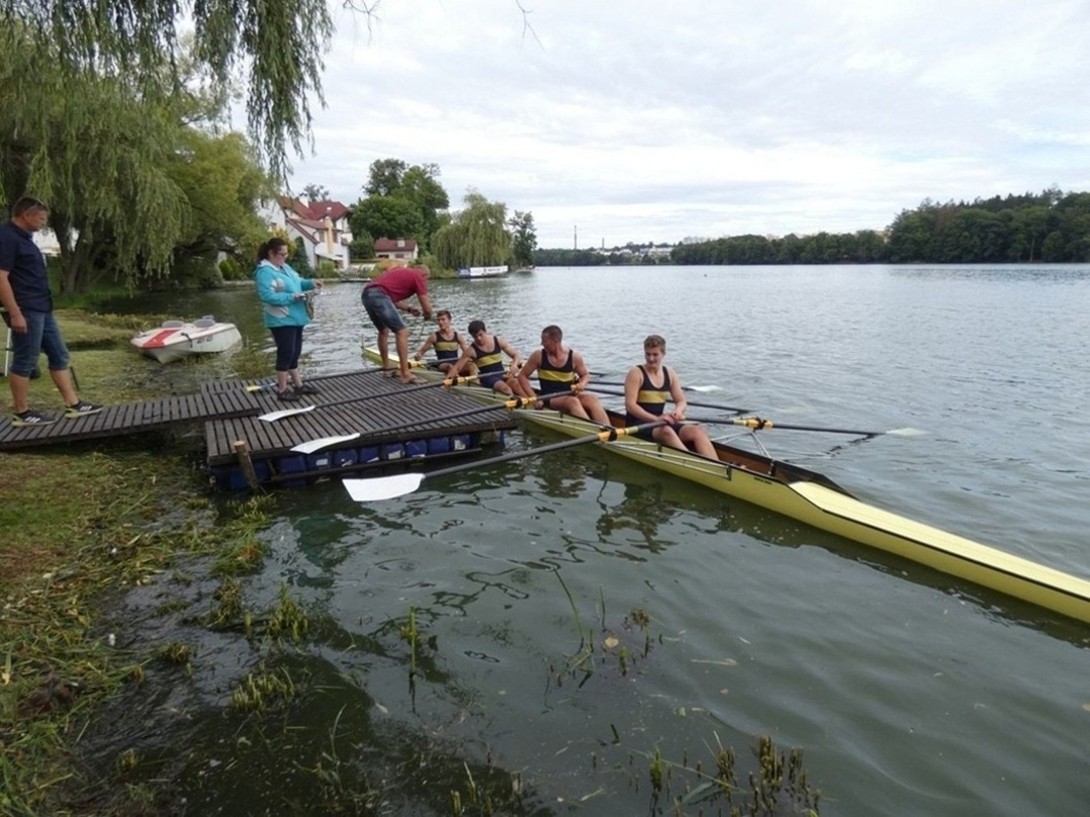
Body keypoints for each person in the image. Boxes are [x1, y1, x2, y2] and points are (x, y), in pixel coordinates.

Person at [0, 197, 102, 426]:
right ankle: (22, 413)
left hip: (42, 308)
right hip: (25, 309)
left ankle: (73, 404)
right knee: (26, 360)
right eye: (40, 218)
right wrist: (14, 313)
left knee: (59, 354)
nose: (43, 223)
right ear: (26, 214)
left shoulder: (26, 239)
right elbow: (1, 278)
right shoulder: (7, 237)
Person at [623, 333, 717, 458]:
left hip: (660, 422)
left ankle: (717, 464)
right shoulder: (636, 373)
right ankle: (691, 461)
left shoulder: (670, 373)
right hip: (638, 424)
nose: (651, 358)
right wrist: (656, 420)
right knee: (666, 431)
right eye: (647, 354)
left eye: (655, 354)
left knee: (698, 430)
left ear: (663, 354)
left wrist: (677, 412)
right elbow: (630, 406)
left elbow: (681, 401)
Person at [253, 237, 322, 401]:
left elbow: (298, 283)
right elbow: (267, 296)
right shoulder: (265, 272)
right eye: (282, 255)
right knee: (285, 353)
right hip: (281, 319)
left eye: (286, 254)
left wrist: (311, 283)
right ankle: (282, 390)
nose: (285, 257)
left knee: (295, 352)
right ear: (271, 253)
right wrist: (291, 297)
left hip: (296, 317)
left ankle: (298, 385)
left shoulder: (285, 267)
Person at [517, 325, 610, 425]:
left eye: (544, 341)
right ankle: (593, 430)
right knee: (572, 402)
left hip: (569, 394)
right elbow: (522, 376)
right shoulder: (538, 356)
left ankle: (608, 429)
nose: (542, 344)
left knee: (592, 399)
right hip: (548, 397)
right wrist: (534, 398)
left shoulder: (574, 357)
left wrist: (582, 384)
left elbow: (585, 375)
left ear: (555, 341)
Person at [361, 264, 433, 384]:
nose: (426, 282)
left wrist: (409, 309)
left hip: (367, 294)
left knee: (383, 331)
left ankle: (387, 368)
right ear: (425, 275)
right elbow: (427, 307)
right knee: (402, 332)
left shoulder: (402, 273)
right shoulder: (418, 276)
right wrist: (428, 314)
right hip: (379, 295)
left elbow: (388, 299)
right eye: (427, 279)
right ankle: (405, 374)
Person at [447, 320, 532, 397]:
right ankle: (514, 404)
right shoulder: (471, 351)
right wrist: (447, 380)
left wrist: (514, 365)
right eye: (475, 336)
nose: (478, 339)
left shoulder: (498, 341)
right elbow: (457, 368)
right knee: (505, 389)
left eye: (480, 335)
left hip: (502, 374)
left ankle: (532, 403)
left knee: (517, 384)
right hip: (487, 378)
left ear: (485, 331)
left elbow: (516, 355)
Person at [413, 309, 472, 374]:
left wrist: (471, 359)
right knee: (449, 366)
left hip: (455, 363)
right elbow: (421, 352)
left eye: (443, 319)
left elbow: (467, 352)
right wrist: (418, 356)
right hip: (442, 364)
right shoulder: (434, 337)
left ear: (449, 320)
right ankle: (455, 378)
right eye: (439, 320)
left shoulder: (457, 336)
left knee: (472, 366)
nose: (440, 322)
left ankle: (475, 379)